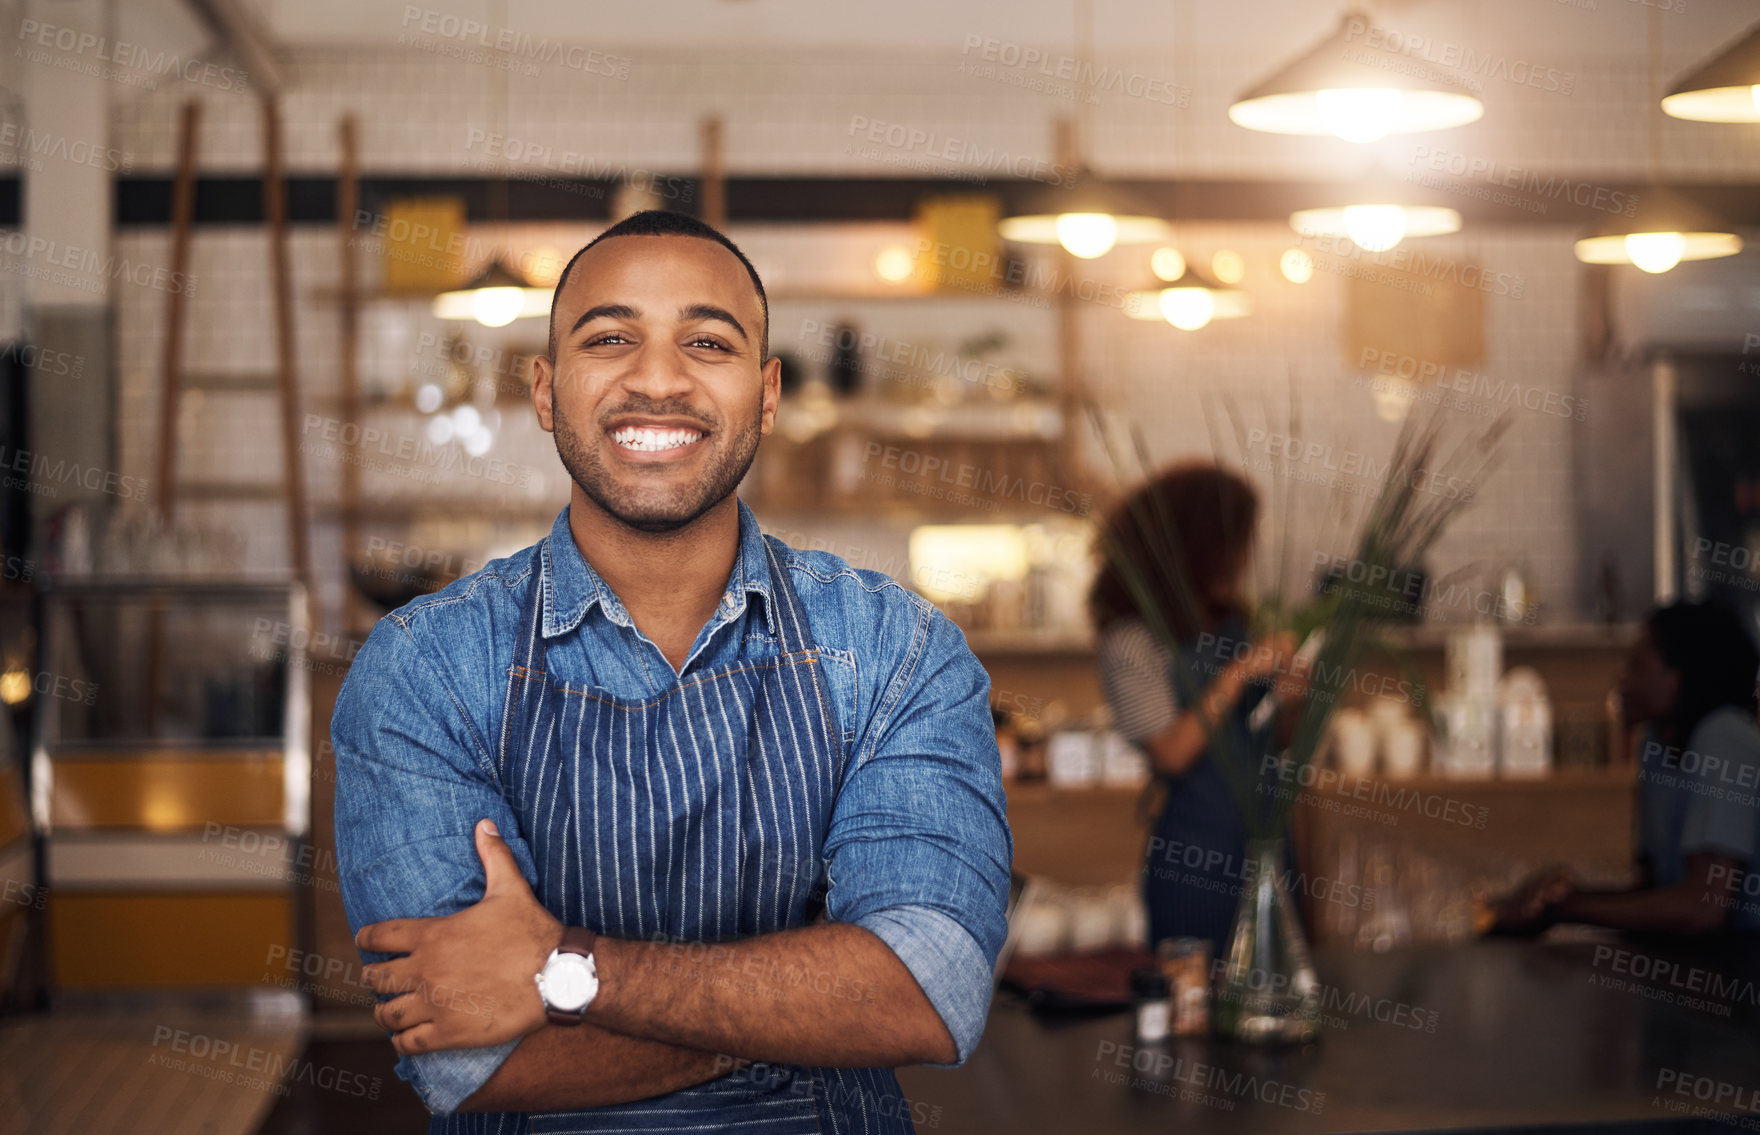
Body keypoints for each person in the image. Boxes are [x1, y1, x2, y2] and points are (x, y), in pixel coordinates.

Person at [333, 209, 1013, 1131]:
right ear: (545, 389)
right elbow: (470, 1057)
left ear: (767, 395)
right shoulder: (425, 668)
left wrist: (565, 970)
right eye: (610, 338)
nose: (657, 378)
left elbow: (930, 991)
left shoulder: (896, 651)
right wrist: (817, 997)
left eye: (708, 341)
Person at [1090, 462, 1301, 952]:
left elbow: (1275, 739)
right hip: (1196, 860)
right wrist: (1240, 674)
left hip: (1270, 849)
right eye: (1235, 545)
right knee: (1193, 1010)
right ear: (1199, 547)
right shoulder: (1134, 641)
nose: (1244, 560)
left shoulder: (1234, 625)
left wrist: (1292, 696)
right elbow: (1171, 752)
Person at [1493, 600, 1760, 934]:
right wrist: (1559, 897)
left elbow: (1703, 909)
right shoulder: (1654, 745)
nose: (1622, 679)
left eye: (1636, 666)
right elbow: (1656, 890)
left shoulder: (1725, 738)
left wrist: (1568, 909)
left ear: (1678, 676)